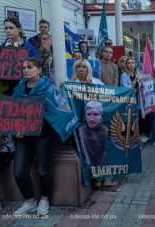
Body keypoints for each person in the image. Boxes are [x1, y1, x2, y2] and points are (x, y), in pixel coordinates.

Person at [11, 58, 65, 216]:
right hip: (23, 136)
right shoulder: (19, 88)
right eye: (23, 68)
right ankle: (29, 201)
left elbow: (56, 111)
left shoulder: (49, 87)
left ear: (39, 70)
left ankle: (44, 199)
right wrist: (16, 127)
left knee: (43, 170)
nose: (26, 70)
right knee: (19, 171)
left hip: (43, 135)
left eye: (30, 67)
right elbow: (12, 111)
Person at [78, 101, 108, 189]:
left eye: (95, 114)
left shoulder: (106, 131)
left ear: (101, 115)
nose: (91, 119)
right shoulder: (81, 131)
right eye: (89, 114)